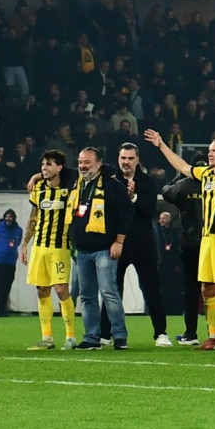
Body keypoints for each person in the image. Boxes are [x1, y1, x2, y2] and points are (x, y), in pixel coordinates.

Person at [145, 127, 215, 351]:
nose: (210, 153)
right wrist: (161, 144)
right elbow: (182, 166)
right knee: (207, 288)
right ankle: (213, 338)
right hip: (207, 239)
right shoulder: (205, 174)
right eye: (209, 150)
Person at [101, 143, 170, 347]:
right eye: (123, 158)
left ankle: (161, 333)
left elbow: (149, 210)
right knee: (112, 289)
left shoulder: (147, 182)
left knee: (151, 288)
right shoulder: (110, 181)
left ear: (137, 160)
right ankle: (105, 333)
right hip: (117, 243)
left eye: (130, 158)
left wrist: (133, 197)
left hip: (143, 242)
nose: (126, 162)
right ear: (118, 159)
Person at [67, 147, 133, 350]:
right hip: (81, 252)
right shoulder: (77, 184)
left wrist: (119, 242)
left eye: (87, 162)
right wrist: (35, 177)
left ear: (98, 163)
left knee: (108, 292)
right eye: (80, 162)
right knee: (87, 296)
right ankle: (92, 337)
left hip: (104, 249)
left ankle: (119, 336)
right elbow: (54, 170)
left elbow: (126, 213)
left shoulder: (112, 185)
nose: (83, 166)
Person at [22, 150, 77, 349]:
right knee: (42, 290)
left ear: (59, 168)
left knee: (61, 289)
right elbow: (33, 217)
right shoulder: (38, 189)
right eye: (43, 164)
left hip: (60, 246)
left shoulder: (69, 188)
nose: (44, 168)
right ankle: (47, 338)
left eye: (49, 164)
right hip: (39, 246)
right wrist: (24, 244)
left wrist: (35, 175)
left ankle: (70, 337)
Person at [162, 165, 204, 345]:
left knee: (191, 288)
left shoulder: (183, 185)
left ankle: (191, 333)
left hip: (189, 242)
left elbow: (165, 192)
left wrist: (178, 176)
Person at [0, 209, 21, 317]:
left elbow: (18, 242)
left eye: (10, 217)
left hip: (11, 261)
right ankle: (1, 309)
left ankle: (3, 308)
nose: (8, 219)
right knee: (0, 285)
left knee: (7, 285)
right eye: (6, 216)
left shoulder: (18, 230)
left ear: (14, 218)